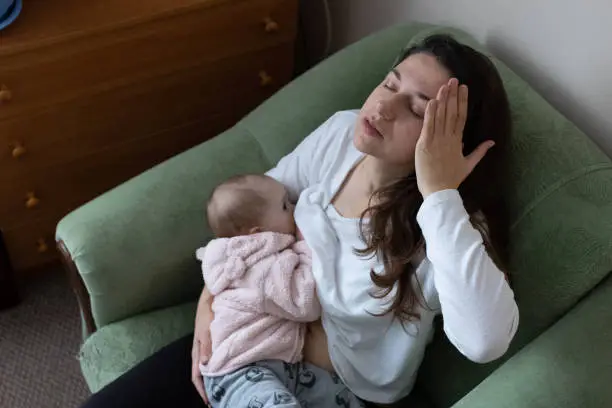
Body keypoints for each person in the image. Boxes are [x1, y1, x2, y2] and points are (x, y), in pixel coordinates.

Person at [81, 34, 519, 408]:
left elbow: (485, 341)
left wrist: (439, 194)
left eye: (419, 109)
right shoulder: (339, 135)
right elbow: (249, 215)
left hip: (335, 392)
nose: (384, 107)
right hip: (251, 340)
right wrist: (209, 301)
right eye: (389, 83)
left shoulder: (449, 229)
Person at [198, 174, 362, 408]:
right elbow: (306, 304)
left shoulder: (248, 257)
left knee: (342, 399)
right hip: (241, 373)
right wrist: (307, 247)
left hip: (285, 368)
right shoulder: (260, 268)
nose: (293, 208)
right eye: (286, 205)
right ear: (257, 233)